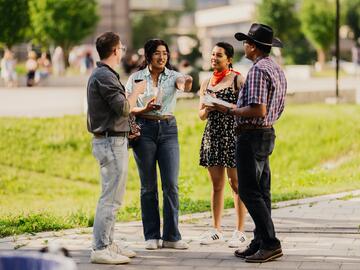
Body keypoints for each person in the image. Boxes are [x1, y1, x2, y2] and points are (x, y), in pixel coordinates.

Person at [215, 23, 286, 263]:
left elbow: (258, 108)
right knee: (261, 190)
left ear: (253, 46)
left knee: (248, 190)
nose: (244, 45)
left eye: (246, 42)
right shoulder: (275, 68)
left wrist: (232, 109)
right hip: (266, 134)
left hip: (252, 136)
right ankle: (259, 240)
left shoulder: (257, 71)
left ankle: (270, 243)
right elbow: (275, 107)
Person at [125, 39, 193, 250]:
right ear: (148, 56)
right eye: (157, 53)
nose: (162, 57)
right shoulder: (136, 78)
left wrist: (187, 81)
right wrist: (143, 109)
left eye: (165, 53)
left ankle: (172, 236)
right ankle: (151, 236)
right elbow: (127, 108)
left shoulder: (173, 76)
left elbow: (184, 83)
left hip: (168, 130)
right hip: (144, 130)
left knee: (171, 184)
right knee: (148, 187)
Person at [87, 31, 146, 264]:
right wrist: (137, 93)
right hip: (111, 141)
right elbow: (123, 108)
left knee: (113, 197)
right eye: (121, 48)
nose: (122, 51)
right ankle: (100, 248)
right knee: (110, 199)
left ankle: (108, 243)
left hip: (113, 140)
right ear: (114, 50)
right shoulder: (104, 75)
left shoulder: (105, 74)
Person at [198, 42, 248, 248]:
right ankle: (216, 230)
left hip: (232, 136)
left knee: (236, 184)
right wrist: (209, 108)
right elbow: (200, 115)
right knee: (216, 185)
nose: (214, 58)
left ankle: (240, 231)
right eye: (212, 54)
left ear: (228, 59)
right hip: (212, 136)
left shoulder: (237, 79)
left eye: (219, 55)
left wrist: (225, 106)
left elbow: (246, 107)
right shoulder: (205, 82)